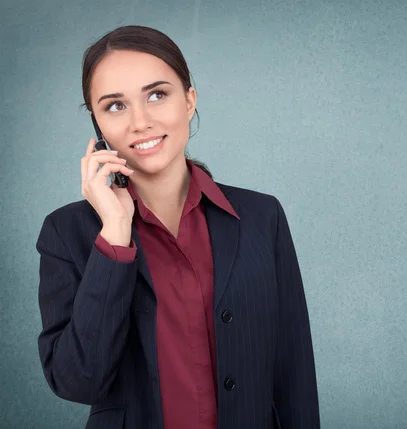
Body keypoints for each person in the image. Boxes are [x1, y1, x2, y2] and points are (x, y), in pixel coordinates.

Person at [35, 25, 320, 429]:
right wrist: (114, 237)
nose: (141, 122)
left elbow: (294, 371)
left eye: (157, 95)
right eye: (115, 106)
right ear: (97, 126)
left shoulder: (262, 217)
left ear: (189, 100)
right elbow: (78, 382)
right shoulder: (67, 232)